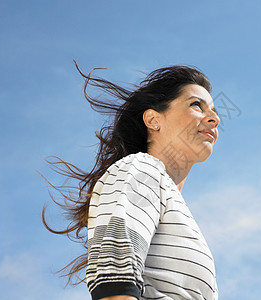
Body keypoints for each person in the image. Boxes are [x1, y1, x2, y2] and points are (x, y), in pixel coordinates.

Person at [43, 61, 220, 300]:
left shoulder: (174, 205)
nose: (213, 119)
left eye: (215, 112)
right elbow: (115, 288)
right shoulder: (142, 169)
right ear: (153, 120)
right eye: (196, 105)